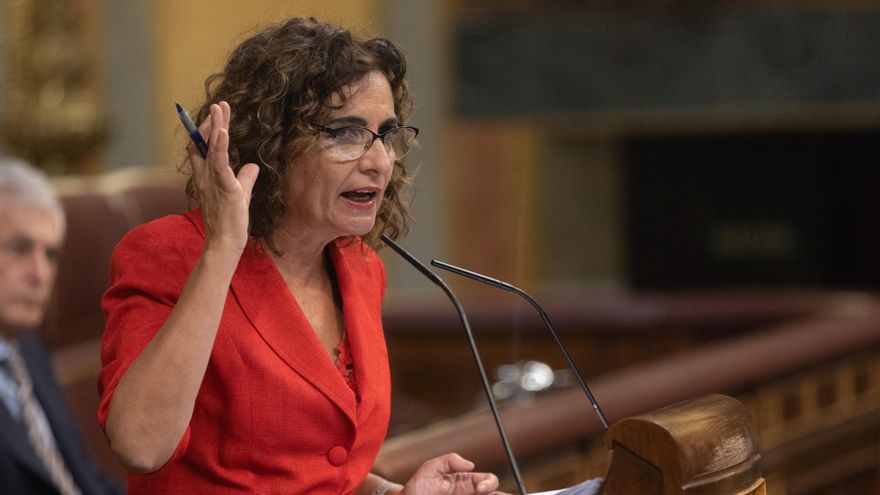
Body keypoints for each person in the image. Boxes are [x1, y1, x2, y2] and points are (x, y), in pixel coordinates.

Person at [98, 17, 507, 495]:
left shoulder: (359, 268)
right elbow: (140, 446)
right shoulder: (170, 254)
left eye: (387, 135)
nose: (378, 161)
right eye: (346, 133)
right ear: (272, 143)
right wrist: (224, 249)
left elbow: (314, 473)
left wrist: (395, 493)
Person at [0, 158, 121, 495]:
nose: (40, 274)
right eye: (20, 248)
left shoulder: (26, 349)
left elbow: (85, 477)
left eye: (50, 254)